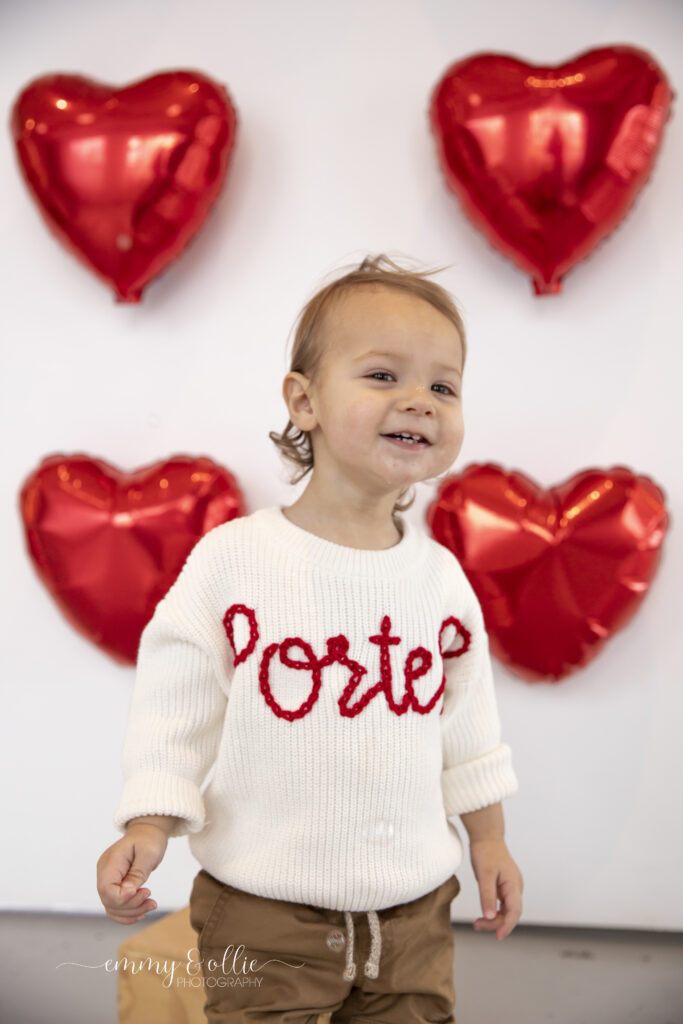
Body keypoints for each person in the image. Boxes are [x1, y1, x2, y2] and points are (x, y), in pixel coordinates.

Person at [97, 253, 523, 1023]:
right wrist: (150, 819)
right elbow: (176, 706)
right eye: (384, 376)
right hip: (264, 911)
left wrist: (488, 840)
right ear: (304, 401)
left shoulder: (440, 582)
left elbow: (469, 725)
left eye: (443, 385)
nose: (420, 402)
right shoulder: (236, 561)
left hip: (413, 911)